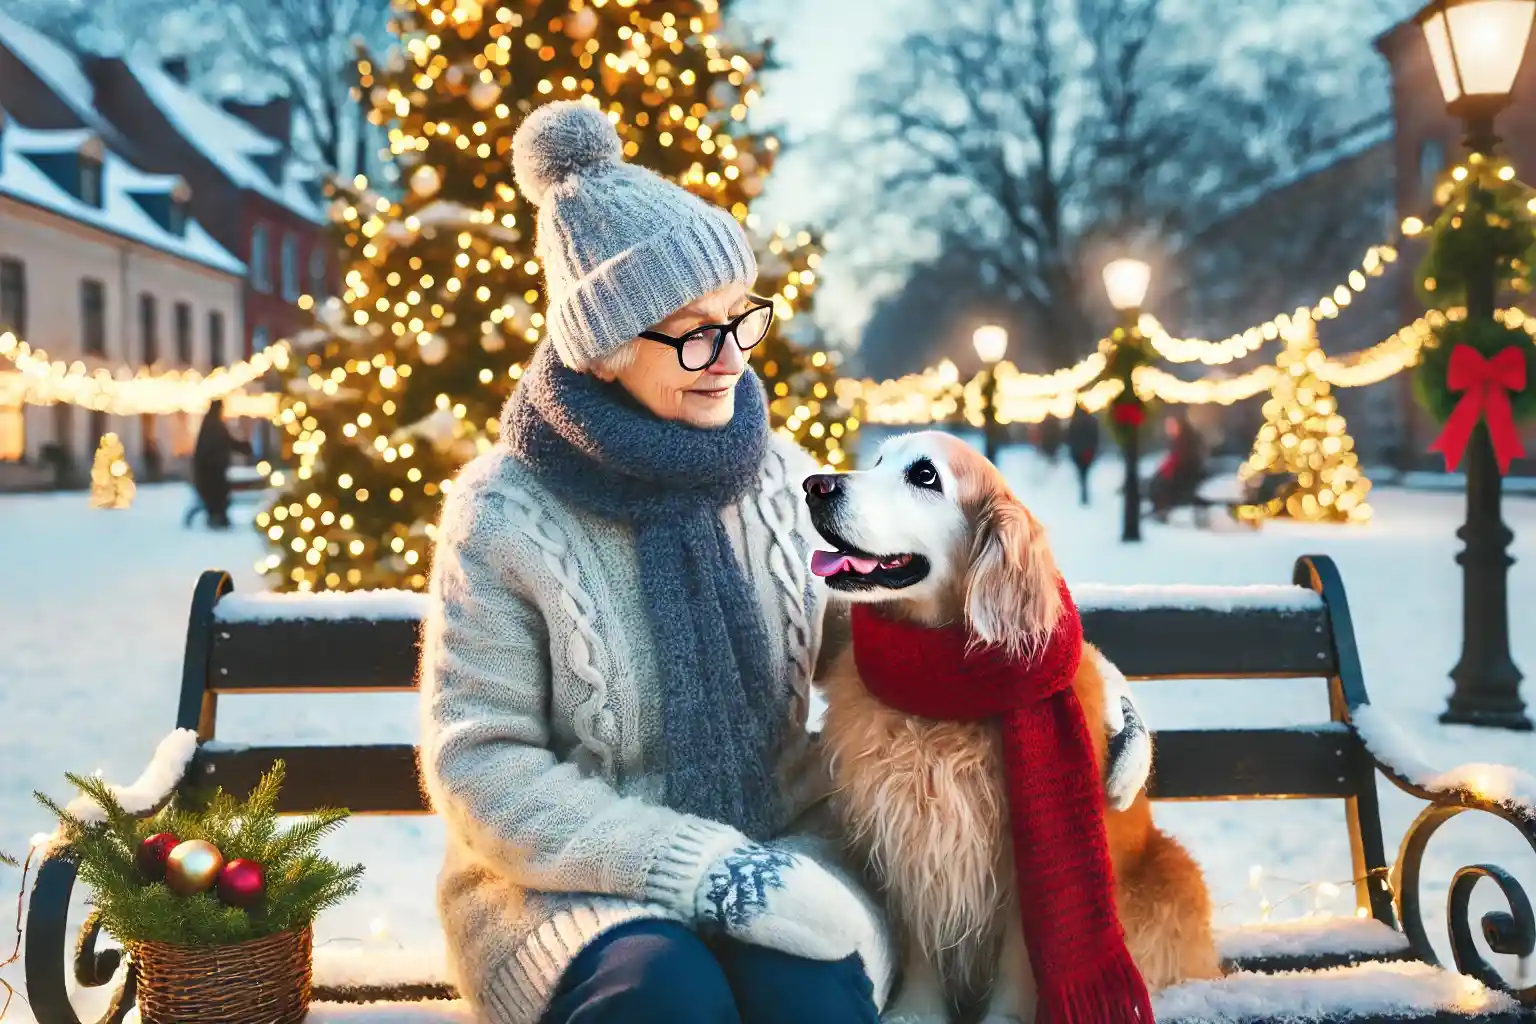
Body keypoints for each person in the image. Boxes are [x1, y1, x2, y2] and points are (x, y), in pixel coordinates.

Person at [418, 101, 1149, 1024]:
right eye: (691, 332)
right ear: (602, 352)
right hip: (573, 889)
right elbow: (483, 768)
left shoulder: (781, 479)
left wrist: (1088, 690)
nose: (728, 360)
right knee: (666, 1002)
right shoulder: (503, 512)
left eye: (738, 319)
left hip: (791, 855)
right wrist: (705, 871)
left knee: (813, 1004)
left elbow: (919, 618)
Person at [190, 398, 250, 529]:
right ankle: (217, 518)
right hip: (212, 471)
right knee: (217, 495)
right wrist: (242, 447)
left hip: (212, 470)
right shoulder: (214, 425)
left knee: (218, 495)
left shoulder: (211, 424)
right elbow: (224, 443)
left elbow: (226, 442)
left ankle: (218, 517)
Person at [1148, 414, 1207, 522]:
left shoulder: (1184, 442)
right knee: (1158, 483)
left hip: (1186, 474)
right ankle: (1160, 509)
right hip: (1184, 472)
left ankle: (1161, 510)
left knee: (1160, 485)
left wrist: (1165, 471)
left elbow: (1179, 460)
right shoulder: (1183, 440)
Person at [1066, 403, 1099, 506]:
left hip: (1078, 452)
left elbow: (1069, 438)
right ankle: (1085, 494)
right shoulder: (1091, 421)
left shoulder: (1074, 422)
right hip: (1088, 452)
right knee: (1084, 474)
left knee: (1082, 474)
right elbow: (1095, 437)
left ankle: (1084, 494)